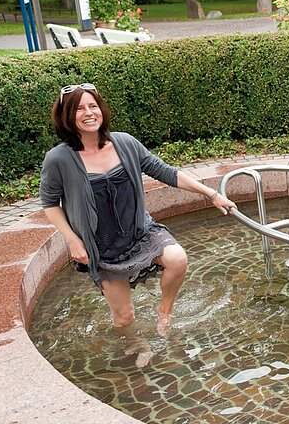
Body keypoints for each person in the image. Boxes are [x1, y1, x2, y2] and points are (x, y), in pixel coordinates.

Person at [39, 83, 236, 351]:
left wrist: (211, 194)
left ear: (101, 109)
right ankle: (134, 346)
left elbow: (165, 171)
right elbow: (50, 203)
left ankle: (164, 312)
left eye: (93, 105)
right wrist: (73, 241)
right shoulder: (58, 159)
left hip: (138, 232)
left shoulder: (125, 143)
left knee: (177, 259)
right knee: (124, 317)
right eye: (79, 108)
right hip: (103, 246)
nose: (88, 112)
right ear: (66, 116)